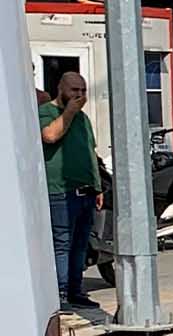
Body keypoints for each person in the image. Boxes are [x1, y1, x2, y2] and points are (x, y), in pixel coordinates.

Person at [39, 71, 102, 310]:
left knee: (80, 245)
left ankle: (76, 291)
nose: (80, 95)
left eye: (83, 91)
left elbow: (90, 152)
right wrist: (70, 112)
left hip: (85, 191)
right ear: (61, 88)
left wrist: (97, 186)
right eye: (74, 90)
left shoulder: (83, 119)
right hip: (60, 192)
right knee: (62, 244)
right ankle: (61, 292)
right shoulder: (46, 112)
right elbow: (50, 136)